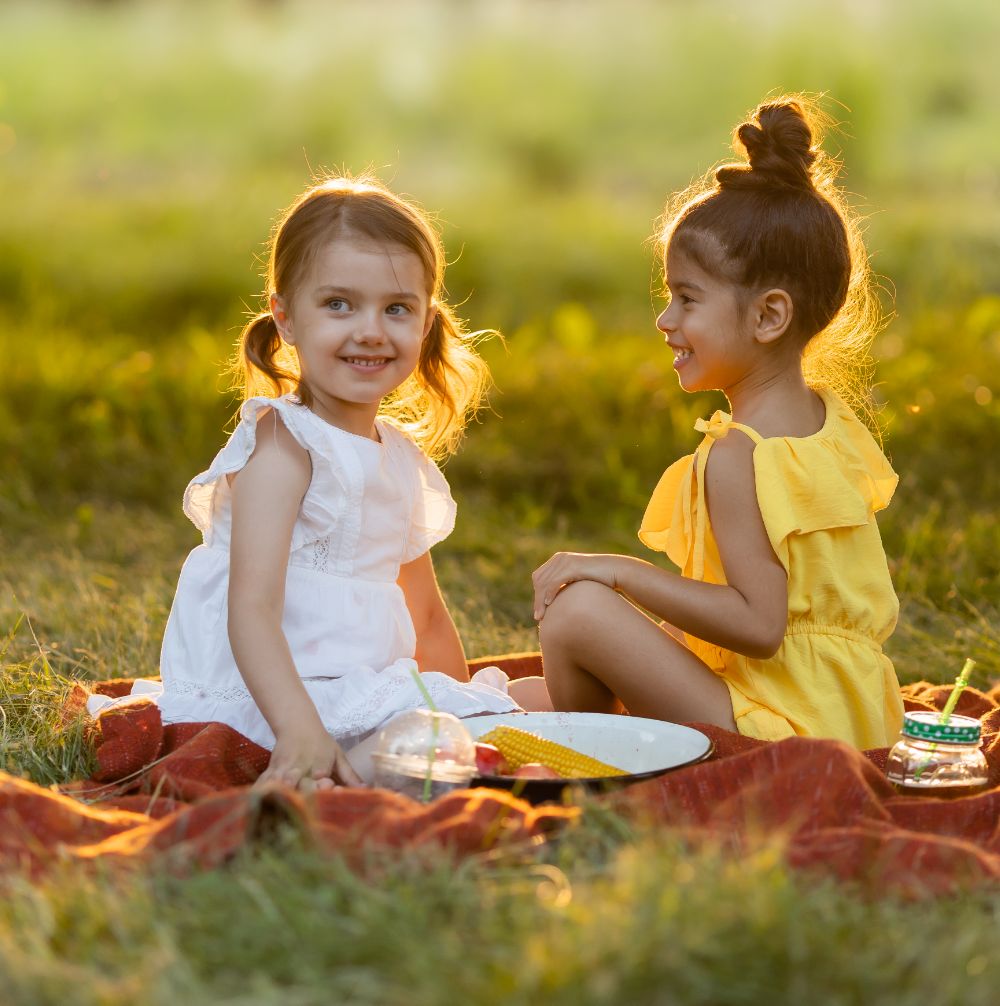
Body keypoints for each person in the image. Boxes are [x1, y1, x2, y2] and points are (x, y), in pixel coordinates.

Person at [532, 96, 904, 748]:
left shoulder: (740, 455)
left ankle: (593, 762)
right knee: (521, 696)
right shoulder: (832, 426)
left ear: (768, 317)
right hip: (849, 717)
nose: (665, 320)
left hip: (783, 730)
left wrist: (621, 573)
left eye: (687, 298)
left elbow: (760, 627)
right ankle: (581, 727)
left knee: (576, 612)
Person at [150, 175, 526, 789]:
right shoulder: (283, 446)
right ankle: (329, 781)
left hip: (359, 686)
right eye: (339, 304)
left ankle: (380, 768)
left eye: (396, 308)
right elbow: (250, 608)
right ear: (286, 317)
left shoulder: (399, 459)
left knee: (510, 706)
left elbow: (426, 614)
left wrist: (459, 702)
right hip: (277, 698)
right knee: (438, 742)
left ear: (426, 323)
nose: (371, 330)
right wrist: (300, 728)